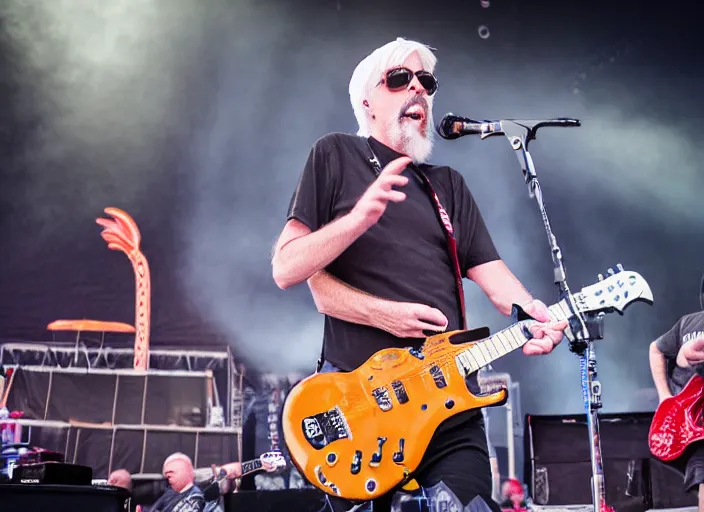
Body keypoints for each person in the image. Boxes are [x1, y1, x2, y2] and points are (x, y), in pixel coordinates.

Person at [272, 37, 568, 512]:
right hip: (362, 408)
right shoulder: (335, 155)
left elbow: (495, 278)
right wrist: (358, 222)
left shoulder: (446, 185)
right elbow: (287, 269)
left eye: (425, 82)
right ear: (367, 101)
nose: (417, 90)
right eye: (399, 79)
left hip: (449, 403)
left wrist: (534, 313)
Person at [649, 309, 704, 510]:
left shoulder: (687, 322)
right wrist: (665, 398)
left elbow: (655, 349)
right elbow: (656, 349)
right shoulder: (687, 323)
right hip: (694, 430)